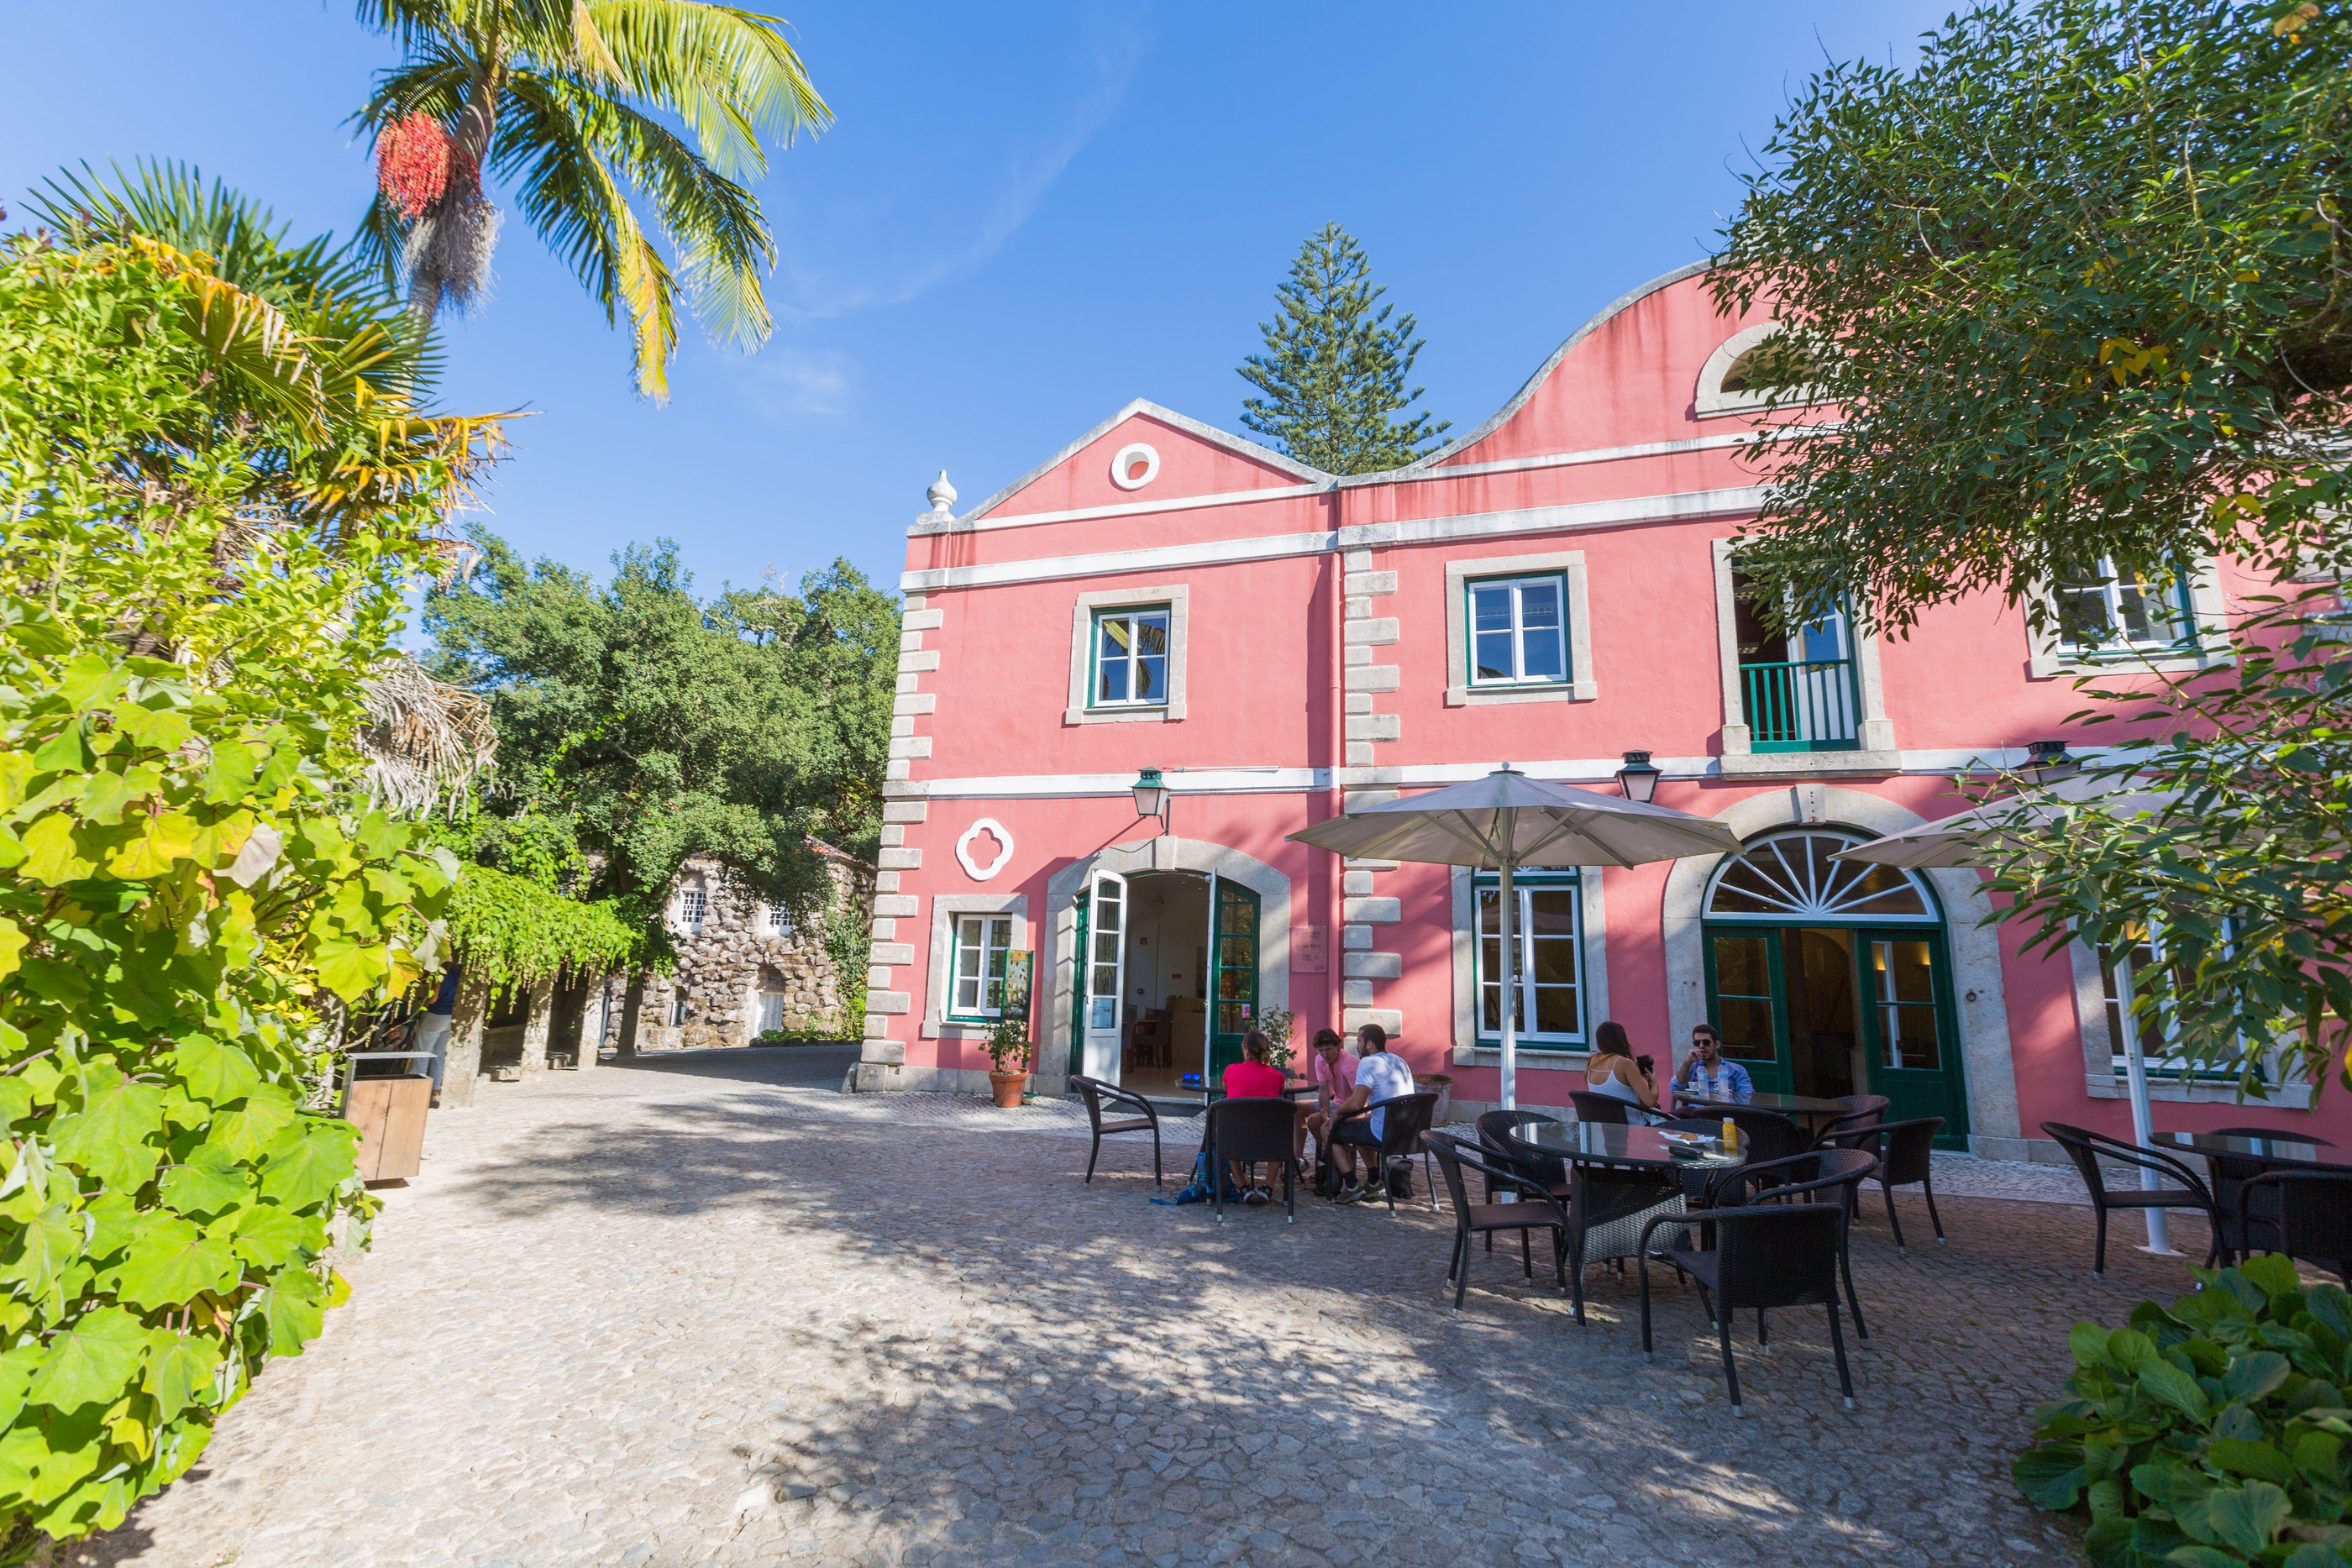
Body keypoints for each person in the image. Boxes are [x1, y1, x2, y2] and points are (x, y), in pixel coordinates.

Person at [1328, 1023, 1414, 1204]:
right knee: (1361, 1126)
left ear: (1369, 1044)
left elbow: (1357, 1103)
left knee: (1331, 1132)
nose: (1357, 1046)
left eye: (1359, 1041)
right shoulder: (1400, 1061)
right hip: (1407, 1135)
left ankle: (1351, 1186)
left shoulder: (1367, 1062)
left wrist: (1337, 1113)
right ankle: (1374, 1182)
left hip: (1384, 1133)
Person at [1220, 1032, 1288, 1202]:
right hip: (1269, 1141)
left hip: (1235, 1140)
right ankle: (1269, 1186)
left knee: (1226, 1132)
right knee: (1281, 1133)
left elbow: (1225, 1088)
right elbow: (1281, 1092)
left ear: (1246, 1052)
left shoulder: (1231, 1071)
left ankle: (1242, 1186)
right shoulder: (1277, 1076)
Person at [1299, 1027, 1354, 1166]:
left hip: (1352, 1108)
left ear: (1338, 1046)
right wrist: (1324, 1113)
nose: (1325, 1054)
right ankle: (1298, 1159)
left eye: (1328, 1049)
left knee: (1313, 1121)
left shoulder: (1349, 1064)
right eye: (1320, 1050)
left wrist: (1330, 1116)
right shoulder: (1320, 1060)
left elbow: (1360, 1098)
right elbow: (1323, 1089)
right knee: (1296, 1108)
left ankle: (1329, 1153)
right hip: (1337, 1102)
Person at [1582, 1020, 1658, 1114]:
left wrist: (1635, 1072)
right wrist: (1654, 1082)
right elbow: (1650, 1102)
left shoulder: (1593, 1061)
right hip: (1632, 1126)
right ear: (1621, 1039)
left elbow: (1613, 1090)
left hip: (1605, 1126)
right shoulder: (1625, 1064)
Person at [1671, 1022, 1753, 1107]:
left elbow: (1747, 1097)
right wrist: (1686, 1063)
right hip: (1696, 1114)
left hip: (1726, 1112)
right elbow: (1674, 1089)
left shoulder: (1737, 1070)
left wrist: (1727, 1097)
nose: (1701, 1046)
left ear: (1717, 1045)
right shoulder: (1690, 1066)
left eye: (1706, 1042)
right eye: (1697, 1043)